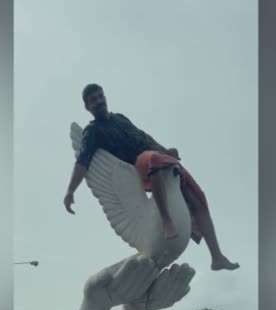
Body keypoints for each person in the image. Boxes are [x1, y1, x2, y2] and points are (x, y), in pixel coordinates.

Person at [63, 84, 239, 271]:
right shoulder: (93, 131)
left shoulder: (120, 118)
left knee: (197, 196)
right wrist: (71, 190)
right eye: (93, 100)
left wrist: (163, 149)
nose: (98, 101)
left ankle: (217, 256)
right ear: (87, 107)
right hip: (139, 165)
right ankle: (166, 220)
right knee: (153, 159)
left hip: (155, 157)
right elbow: (83, 161)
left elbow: (143, 136)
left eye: (100, 97)